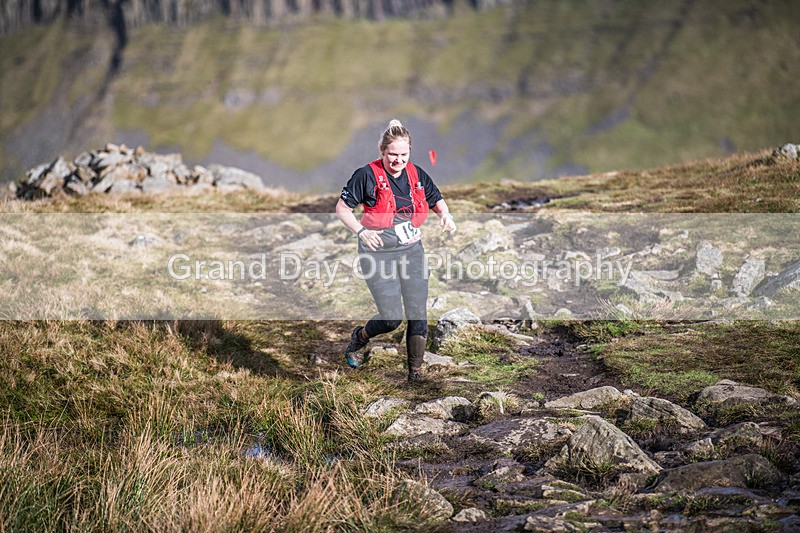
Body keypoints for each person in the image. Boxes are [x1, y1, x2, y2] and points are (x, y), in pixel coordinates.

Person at [335, 119, 456, 382]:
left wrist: (446, 216)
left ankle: (416, 374)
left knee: (418, 312)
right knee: (391, 319)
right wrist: (362, 231)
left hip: (412, 251)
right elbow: (342, 209)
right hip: (377, 254)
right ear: (382, 152)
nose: (398, 160)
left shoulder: (416, 173)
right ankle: (361, 337)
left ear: (409, 152)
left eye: (403, 155)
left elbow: (435, 198)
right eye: (393, 155)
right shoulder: (365, 175)